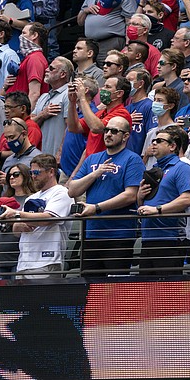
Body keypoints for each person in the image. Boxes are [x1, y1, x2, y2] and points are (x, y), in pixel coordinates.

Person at [68, 115, 144, 274]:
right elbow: (72, 190)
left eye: (114, 131)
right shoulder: (93, 159)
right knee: (90, 286)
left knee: (114, 286)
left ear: (125, 136)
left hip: (119, 235)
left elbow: (130, 195)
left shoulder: (133, 159)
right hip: (92, 233)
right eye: (106, 130)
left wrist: (96, 208)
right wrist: (94, 174)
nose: (108, 134)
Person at [136, 128, 190, 275]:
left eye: (159, 141)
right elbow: (144, 204)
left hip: (170, 238)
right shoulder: (154, 169)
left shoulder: (182, 168)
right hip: (148, 237)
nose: (154, 144)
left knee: (167, 292)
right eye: (153, 141)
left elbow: (188, 198)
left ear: (172, 146)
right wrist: (139, 197)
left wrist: (157, 210)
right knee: (145, 290)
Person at [1, 154, 72, 278]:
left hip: (47, 261)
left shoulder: (62, 192)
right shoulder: (31, 197)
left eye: (36, 172)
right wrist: (19, 224)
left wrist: (17, 214)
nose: (33, 176)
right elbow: (16, 231)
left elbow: (48, 219)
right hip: (23, 263)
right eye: (31, 172)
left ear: (51, 172)